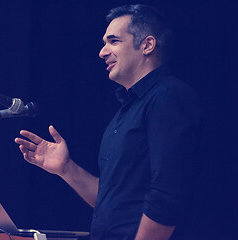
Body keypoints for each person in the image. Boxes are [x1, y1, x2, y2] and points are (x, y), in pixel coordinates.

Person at [15, 4, 202, 240]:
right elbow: (115, 204)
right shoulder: (127, 111)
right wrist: (67, 168)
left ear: (147, 45)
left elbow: (167, 196)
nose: (102, 52)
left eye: (113, 41)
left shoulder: (168, 96)